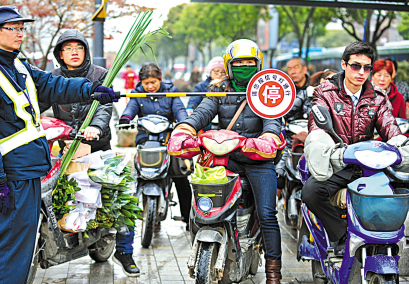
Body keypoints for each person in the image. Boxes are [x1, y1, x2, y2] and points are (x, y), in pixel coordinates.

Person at [0, 6, 116, 284]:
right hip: (11, 174)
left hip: (30, 169)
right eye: (14, 28)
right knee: (13, 247)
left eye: (22, 28)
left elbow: (51, 85)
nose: (20, 33)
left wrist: (90, 90)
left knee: (23, 244)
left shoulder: (18, 65)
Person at [168, 39, 283, 283]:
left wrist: (268, 137)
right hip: (226, 160)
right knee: (202, 208)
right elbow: (201, 113)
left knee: (267, 214)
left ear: (258, 64)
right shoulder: (219, 90)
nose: (243, 66)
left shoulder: (267, 89)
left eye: (248, 63)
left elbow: (273, 123)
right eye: (238, 62)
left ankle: (274, 272)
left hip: (258, 160)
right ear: (229, 65)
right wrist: (184, 129)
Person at [40, 29, 140, 277]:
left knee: (120, 198)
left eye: (79, 47)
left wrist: (95, 127)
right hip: (65, 150)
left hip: (97, 148)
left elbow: (104, 107)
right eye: (67, 48)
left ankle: (125, 252)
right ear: (60, 54)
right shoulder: (52, 78)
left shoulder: (100, 75)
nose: (74, 52)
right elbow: (37, 105)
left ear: (85, 51)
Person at [301, 42, 403, 257]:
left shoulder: (377, 96)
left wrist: (401, 146)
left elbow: (389, 127)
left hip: (369, 164)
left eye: (367, 68)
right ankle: (340, 235)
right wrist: (331, 152)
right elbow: (317, 129)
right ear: (344, 64)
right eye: (356, 66)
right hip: (337, 163)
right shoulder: (325, 92)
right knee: (310, 192)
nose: (362, 72)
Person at [118, 63, 192, 229]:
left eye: (153, 82)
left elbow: (179, 109)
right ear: (141, 83)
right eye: (146, 83)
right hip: (146, 137)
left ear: (160, 80)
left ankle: (188, 218)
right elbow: (131, 107)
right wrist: (125, 117)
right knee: (140, 174)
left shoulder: (171, 92)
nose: (150, 86)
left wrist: (184, 122)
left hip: (168, 138)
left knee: (180, 176)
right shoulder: (137, 94)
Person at [275, 58, 313, 197]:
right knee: (279, 170)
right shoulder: (283, 91)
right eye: (290, 69)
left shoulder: (316, 89)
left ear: (304, 69)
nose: (293, 71)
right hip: (288, 136)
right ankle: (273, 207)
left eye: (296, 67)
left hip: (312, 136)